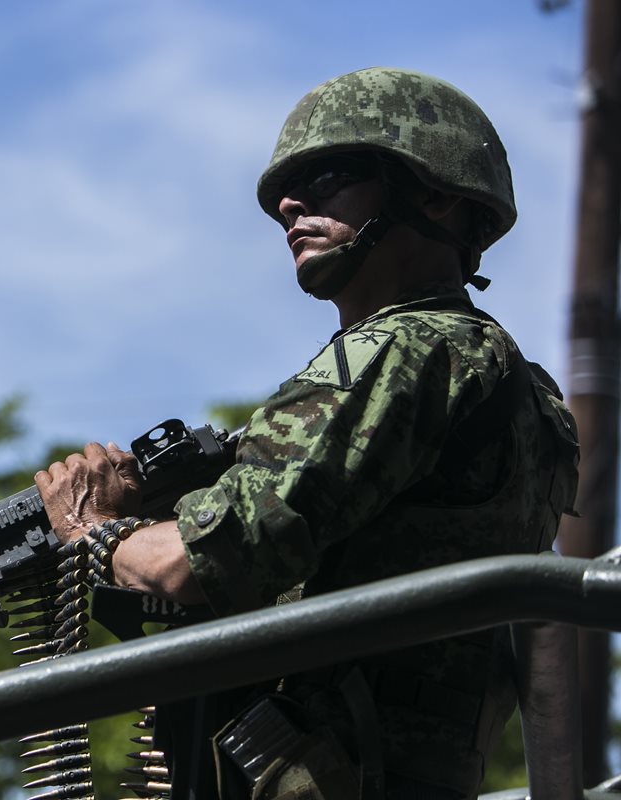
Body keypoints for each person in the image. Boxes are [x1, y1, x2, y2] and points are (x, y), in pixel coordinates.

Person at [34, 67, 580, 800]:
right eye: (284, 198)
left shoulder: (411, 349)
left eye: (328, 176)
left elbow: (195, 564)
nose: (291, 205)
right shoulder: (516, 382)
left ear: (437, 192)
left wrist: (90, 525)